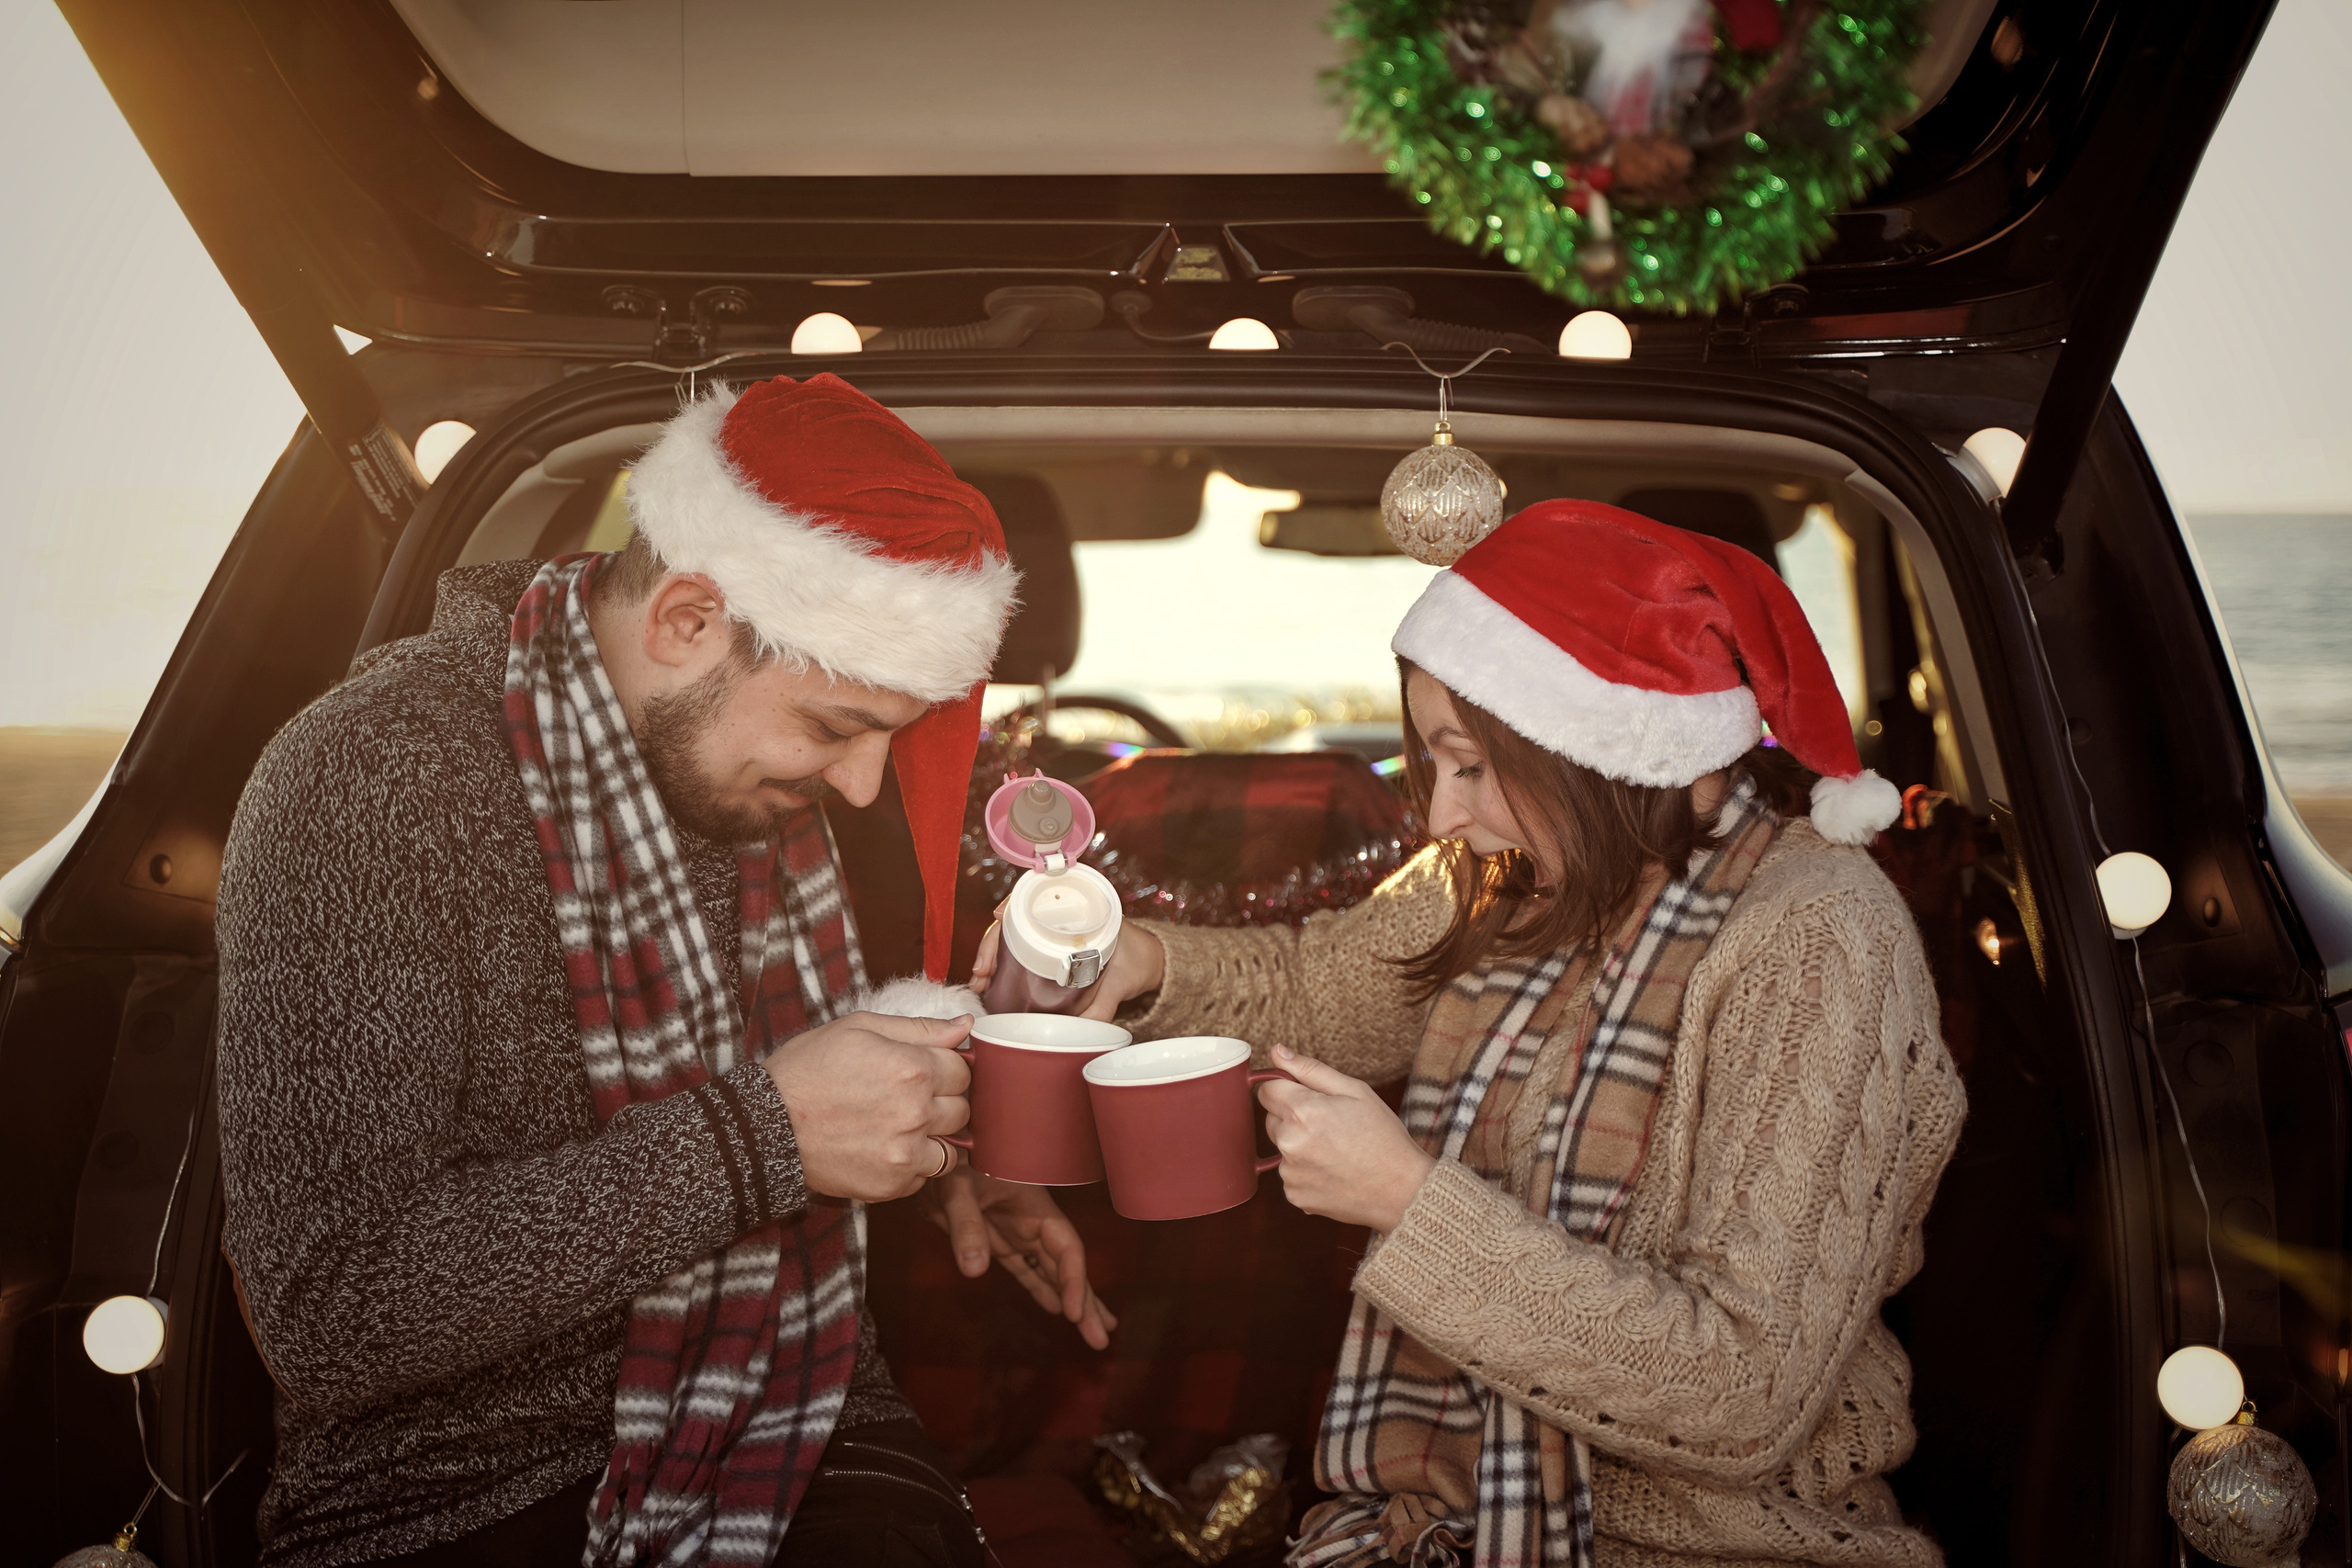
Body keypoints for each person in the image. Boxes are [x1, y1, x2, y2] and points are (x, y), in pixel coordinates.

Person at [216, 374, 1113, 1568]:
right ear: (687, 619)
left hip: (806, 1409)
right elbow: (329, 1316)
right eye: (838, 725)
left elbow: (840, 1097)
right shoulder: (369, 783)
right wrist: (763, 1136)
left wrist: (942, 1156)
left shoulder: (766, 773)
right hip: (458, 1491)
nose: (858, 785)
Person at [978, 501, 1965, 1566]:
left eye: (1471, 764)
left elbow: (1743, 1393)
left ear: (1598, 747)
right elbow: (1321, 988)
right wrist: (1143, 962)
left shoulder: (1814, 935)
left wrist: (1406, 1203)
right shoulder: (1504, 877)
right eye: (1430, 762)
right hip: (1420, 1534)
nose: (1440, 815)